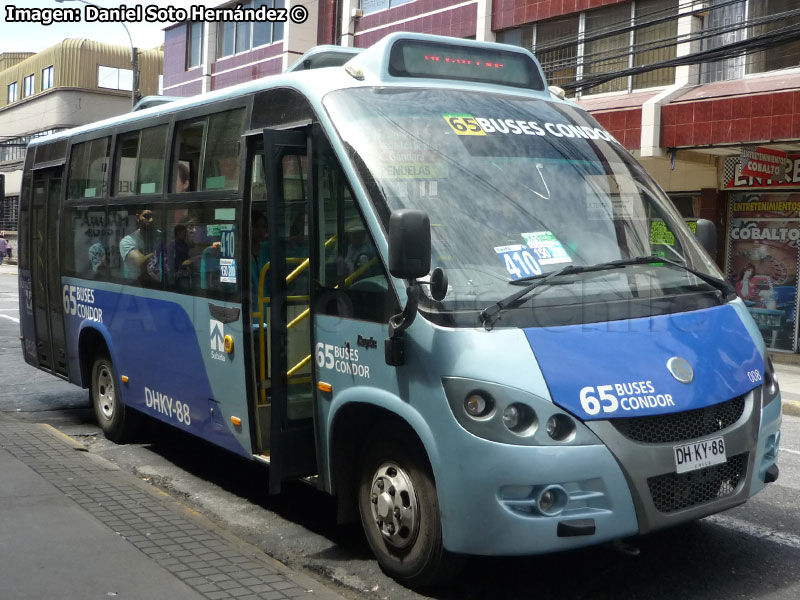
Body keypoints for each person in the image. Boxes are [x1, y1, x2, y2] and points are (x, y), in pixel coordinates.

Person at [120, 209, 160, 282]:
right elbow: (141, 262)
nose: (151, 220)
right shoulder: (128, 241)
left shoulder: (160, 235)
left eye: (154, 216)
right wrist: (159, 251)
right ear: (138, 217)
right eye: (147, 216)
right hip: (138, 286)